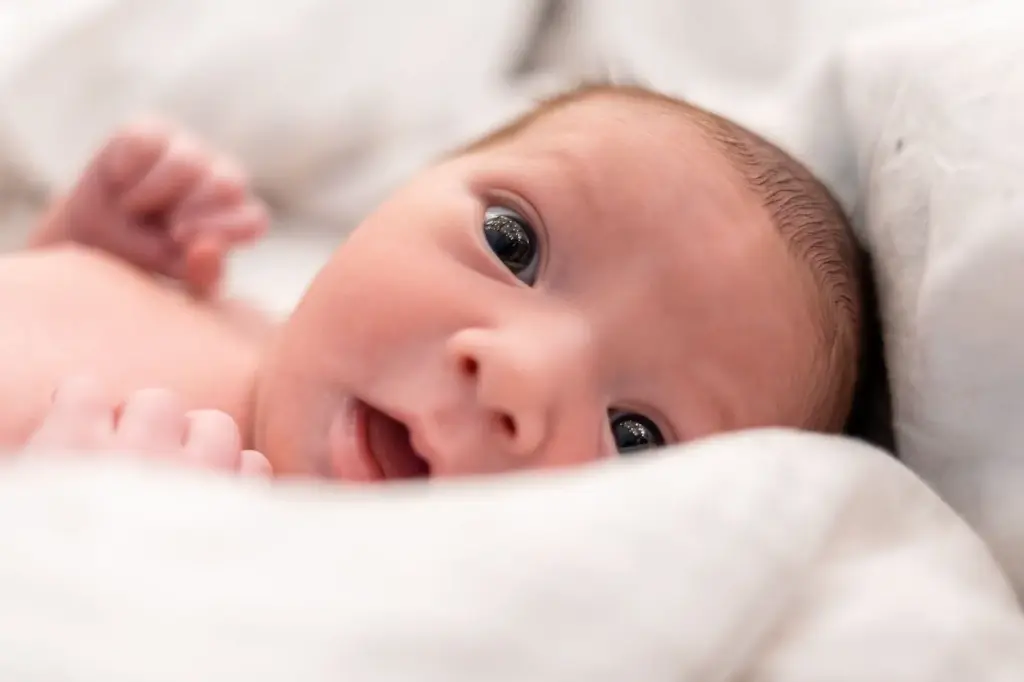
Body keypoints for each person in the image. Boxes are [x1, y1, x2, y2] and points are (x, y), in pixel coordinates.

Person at [14, 84, 864, 480]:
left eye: (635, 435)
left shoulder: (250, 551)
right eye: (511, 242)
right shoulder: (243, 322)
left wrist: (69, 548)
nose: (517, 374)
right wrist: (84, 252)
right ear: (402, 192)